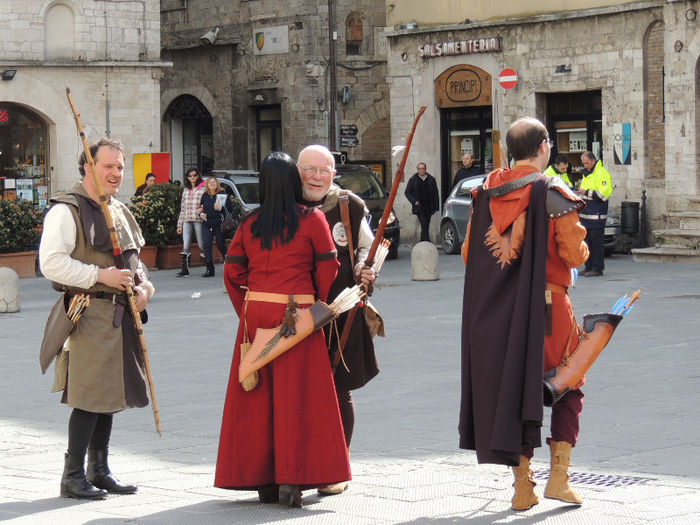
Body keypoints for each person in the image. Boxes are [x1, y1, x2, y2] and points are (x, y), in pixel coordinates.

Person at [459, 118, 589, 511]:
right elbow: (574, 254)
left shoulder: (485, 191)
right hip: (549, 308)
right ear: (544, 147)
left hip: (500, 313)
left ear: (509, 152)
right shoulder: (552, 191)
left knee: (516, 389)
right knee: (567, 385)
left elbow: (469, 254)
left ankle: (522, 488)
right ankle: (559, 480)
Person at [214, 151, 350, 508]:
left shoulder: (248, 223)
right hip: (298, 314)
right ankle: (292, 480)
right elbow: (329, 266)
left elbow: (232, 274)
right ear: (294, 181)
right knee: (298, 398)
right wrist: (315, 303)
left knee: (258, 396)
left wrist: (248, 312)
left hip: (257, 310)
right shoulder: (313, 219)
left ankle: (264, 480)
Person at [39, 137, 155, 500]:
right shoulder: (67, 209)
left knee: (109, 393)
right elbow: (51, 263)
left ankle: (98, 470)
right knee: (89, 395)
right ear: (88, 167)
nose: (116, 173)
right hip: (88, 313)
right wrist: (99, 276)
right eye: (109, 166)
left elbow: (135, 261)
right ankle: (72, 476)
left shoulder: (117, 209)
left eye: (120, 166)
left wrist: (145, 288)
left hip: (120, 315)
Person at [297, 145, 379, 495]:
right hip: (298, 314)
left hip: (341, 310)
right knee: (298, 391)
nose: (317, 176)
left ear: (334, 173)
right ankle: (298, 462)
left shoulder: (349, 205)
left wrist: (365, 268)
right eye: (310, 169)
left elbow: (367, 248)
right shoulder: (287, 204)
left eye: (324, 170)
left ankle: (337, 466)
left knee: (339, 389)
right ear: (297, 171)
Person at [578, 151, 612, 277]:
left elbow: (603, 195)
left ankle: (597, 268)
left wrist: (585, 192)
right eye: (583, 163)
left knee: (596, 243)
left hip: (596, 215)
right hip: (586, 215)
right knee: (587, 242)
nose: (585, 165)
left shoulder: (601, 173)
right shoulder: (587, 174)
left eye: (586, 163)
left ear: (593, 161)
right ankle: (588, 266)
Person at [175, 168, 206, 277]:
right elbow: (183, 209)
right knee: (186, 244)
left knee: (201, 243)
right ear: (187, 177)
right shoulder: (185, 190)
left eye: (194, 175)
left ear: (198, 176)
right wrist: (180, 225)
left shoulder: (203, 188)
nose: (192, 177)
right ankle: (185, 269)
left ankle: (208, 264)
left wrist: (202, 208)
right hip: (187, 219)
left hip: (198, 219)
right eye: (190, 176)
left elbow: (206, 203)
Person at [198, 177, 230, 277]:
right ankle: (209, 269)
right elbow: (201, 208)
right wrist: (200, 215)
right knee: (206, 244)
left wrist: (221, 208)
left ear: (217, 184)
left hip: (218, 223)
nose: (212, 184)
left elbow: (230, 209)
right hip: (207, 223)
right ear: (207, 184)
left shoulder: (222, 194)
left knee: (221, 245)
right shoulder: (205, 195)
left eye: (214, 182)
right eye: (210, 182)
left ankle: (230, 265)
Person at [404, 162, 439, 242]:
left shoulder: (431, 179)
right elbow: (407, 192)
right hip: (419, 206)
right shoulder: (413, 179)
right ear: (417, 170)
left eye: (423, 168)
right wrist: (414, 201)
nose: (421, 170)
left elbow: (435, 193)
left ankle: (422, 241)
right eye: (420, 168)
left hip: (429, 205)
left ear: (425, 169)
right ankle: (427, 241)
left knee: (426, 223)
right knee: (423, 222)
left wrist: (436, 206)